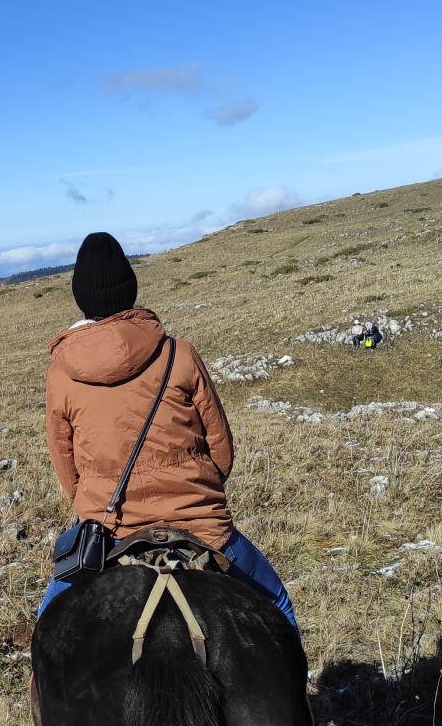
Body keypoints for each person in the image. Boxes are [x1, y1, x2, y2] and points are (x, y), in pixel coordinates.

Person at [38, 232, 296, 629]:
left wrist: (91, 501)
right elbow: (221, 450)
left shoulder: (61, 375)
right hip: (199, 523)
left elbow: (65, 469)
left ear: (80, 297)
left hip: (109, 529)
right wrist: (196, 489)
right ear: (131, 287)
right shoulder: (180, 353)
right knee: (278, 606)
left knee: (48, 627)